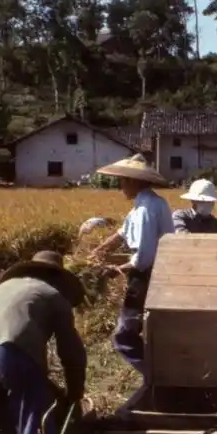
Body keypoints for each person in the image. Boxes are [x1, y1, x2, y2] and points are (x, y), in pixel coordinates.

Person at [0, 251, 87, 434]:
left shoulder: (2, 289)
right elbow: (71, 352)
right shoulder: (53, 294)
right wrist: (74, 396)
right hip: (11, 354)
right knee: (34, 421)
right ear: (57, 278)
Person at [89, 154, 174, 377]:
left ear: (135, 181)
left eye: (123, 181)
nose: (121, 186)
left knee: (124, 336)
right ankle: (159, 372)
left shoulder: (146, 209)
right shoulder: (145, 205)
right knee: (151, 328)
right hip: (155, 273)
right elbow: (122, 233)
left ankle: (156, 376)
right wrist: (99, 251)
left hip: (147, 276)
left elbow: (143, 257)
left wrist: (116, 270)